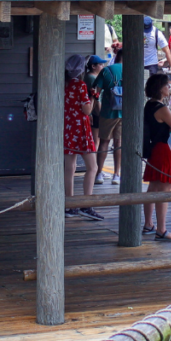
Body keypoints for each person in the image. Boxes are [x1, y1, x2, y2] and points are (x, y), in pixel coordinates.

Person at [142, 73, 171, 241]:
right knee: (164, 191)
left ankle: (148, 224)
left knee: (152, 188)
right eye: (167, 85)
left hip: (154, 149)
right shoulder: (162, 108)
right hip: (166, 150)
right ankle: (162, 229)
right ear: (160, 88)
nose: (170, 87)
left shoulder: (148, 105)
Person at [63, 55, 103, 221]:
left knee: (69, 168)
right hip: (81, 127)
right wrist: (94, 97)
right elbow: (87, 110)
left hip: (67, 127)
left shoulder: (63, 85)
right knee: (92, 168)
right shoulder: (80, 85)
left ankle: (69, 204)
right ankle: (86, 204)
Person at [87, 51, 122, 186]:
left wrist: (93, 108)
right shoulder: (131, 70)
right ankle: (116, 175)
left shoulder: (106, 71)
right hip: (125, 112)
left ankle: (99, 173)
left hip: (107, 112)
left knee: (104, 143)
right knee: (119, 143)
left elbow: (96, 91)